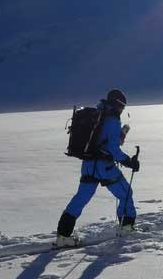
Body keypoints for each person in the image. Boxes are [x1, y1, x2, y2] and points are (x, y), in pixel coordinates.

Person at [55, 89, 140, 247]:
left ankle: (63, 236)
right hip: (104, 167)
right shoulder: (112, 120)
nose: (122, 110)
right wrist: (129, 162)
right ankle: (126, 227)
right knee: (126, 193)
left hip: (88, 165)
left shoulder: (97, 114)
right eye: (121, 107)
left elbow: (102, 140)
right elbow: (113, 149)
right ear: (116, 104)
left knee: (80, 198)